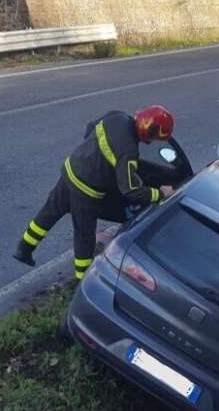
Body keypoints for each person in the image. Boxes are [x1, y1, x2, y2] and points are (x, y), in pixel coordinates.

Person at [14, 106, 176, 281]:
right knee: (84, 235)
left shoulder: (117, 117)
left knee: (49, 213)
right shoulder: (129, 151)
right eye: (153, 137)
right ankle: (82, 279)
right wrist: (159, 194)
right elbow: (130, 189)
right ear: (148, 129)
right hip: (86, 190)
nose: (151, 142)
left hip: (71, 170)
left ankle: (24, 249)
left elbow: (90, 128)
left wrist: (93, 155)